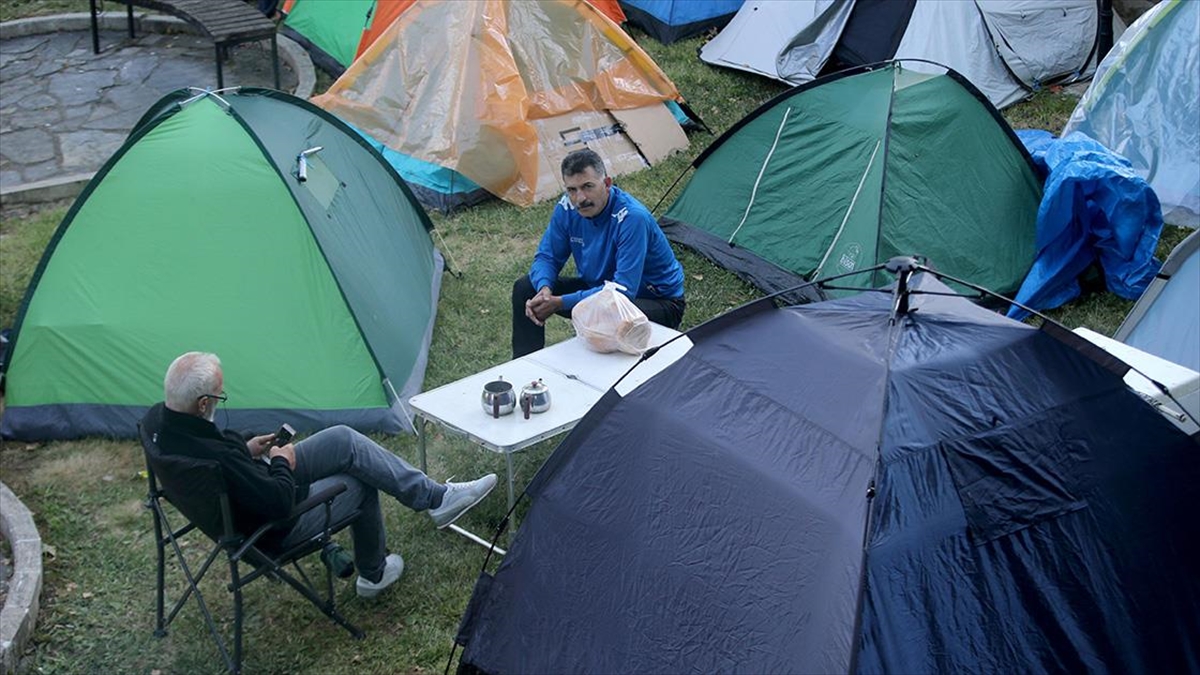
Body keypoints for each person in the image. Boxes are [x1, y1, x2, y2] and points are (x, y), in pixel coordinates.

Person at [141, 351, 497, 599]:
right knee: (359, 481)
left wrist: (247, 449)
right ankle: (374, 574)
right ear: (202, 404)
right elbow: (278, 503)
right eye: (220, 396)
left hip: (249, 490)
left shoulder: (158, 422)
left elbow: (222, 455)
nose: (221, 400)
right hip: (272, 527)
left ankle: (435, 498)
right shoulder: (218, 460)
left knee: (344, 440)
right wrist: (280, 461)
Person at [512, 148, 686, 358]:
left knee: (606, 318)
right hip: (599, 290)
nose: (580, 198)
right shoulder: (567, 208)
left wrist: (560, 302)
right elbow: (547, 256)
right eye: (572, 190)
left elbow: (622, 292)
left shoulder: (632, 218)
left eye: (588, 186)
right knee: (526, 288)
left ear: (607, 183)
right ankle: (522, 366)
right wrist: (544, 289)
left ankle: (607, 375)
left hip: (654, 302)